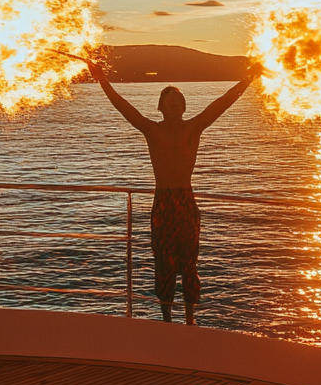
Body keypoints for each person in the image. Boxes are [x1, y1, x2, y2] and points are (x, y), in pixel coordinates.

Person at [83, 59, 259, 325]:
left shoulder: (194, 128)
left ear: (184, 106)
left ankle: (189, 320)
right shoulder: (152, 130)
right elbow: (123, 107)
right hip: (163, 202)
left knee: (189, 261)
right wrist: (102, 80)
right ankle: (166, 319)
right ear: (160, 107)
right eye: (169, 101)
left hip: (186, 201)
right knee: (164, 262)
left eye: (179, 100)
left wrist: (248, 80)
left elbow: (222, 103)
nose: (175, 104)